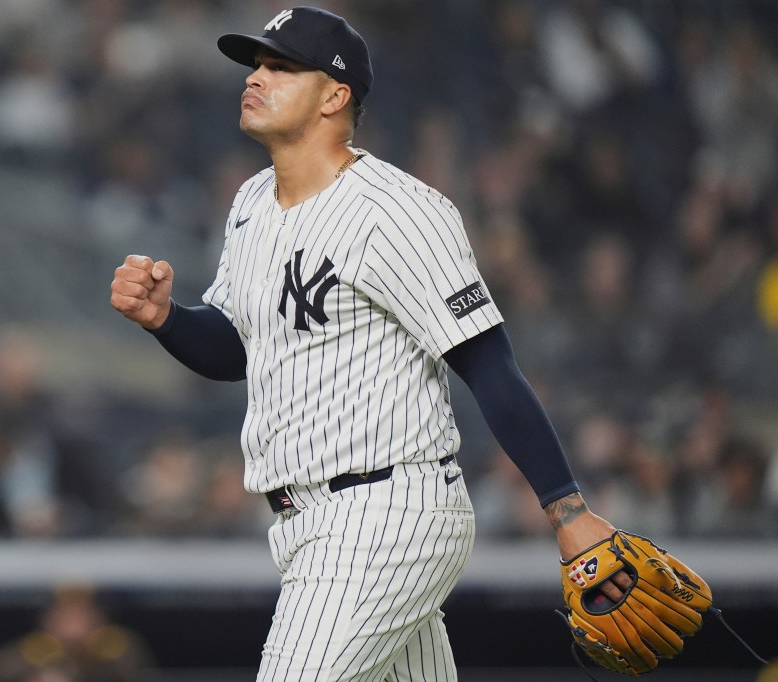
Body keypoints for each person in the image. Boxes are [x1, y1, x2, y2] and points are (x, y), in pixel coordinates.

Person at [110, 7, 629, 680]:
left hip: (385, 514)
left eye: (281, 66)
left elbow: (488, 363)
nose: (256, 77)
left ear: (334, 95)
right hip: (308, 524)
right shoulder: (250, 203)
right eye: (256, 64)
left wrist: (568, 511)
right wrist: (168, 319)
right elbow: (237, 349)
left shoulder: (397, 211)